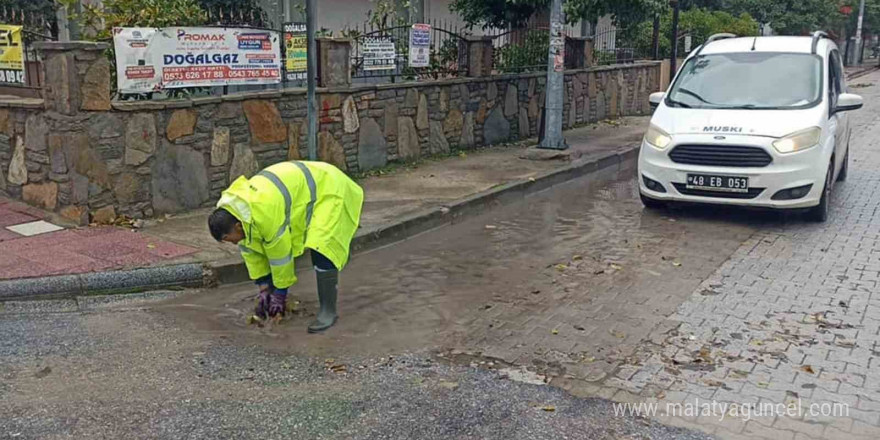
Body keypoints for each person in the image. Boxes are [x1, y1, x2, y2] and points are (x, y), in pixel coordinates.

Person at [208, 160, 364, 333]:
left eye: (230, 239)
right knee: (314, 242)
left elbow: (280, 256)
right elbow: (252, 253)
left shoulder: (264, 212)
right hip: (303, 189)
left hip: (328, 187)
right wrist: (264, 288)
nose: (234, 243)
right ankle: (335, 262)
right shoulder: (235, 215)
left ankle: (328, 312)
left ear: (237, 226)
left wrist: (280, 294)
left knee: (321, 246)